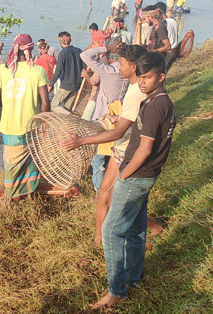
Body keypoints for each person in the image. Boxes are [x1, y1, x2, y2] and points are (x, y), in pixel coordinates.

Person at [93, 52, 174, 309]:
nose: (142, 82)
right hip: (147, 175)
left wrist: (124, 175)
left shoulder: (154, 106)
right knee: (137, 228)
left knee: (111, 230)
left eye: (148, 77)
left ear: (161, 77)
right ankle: (134, 278)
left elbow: (145, 148)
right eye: (140, 77)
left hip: (137, 175)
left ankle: (116, 291)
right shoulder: (160, 102)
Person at [63, 44, 149, 237]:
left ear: (133, 67)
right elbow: (133, 118)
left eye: (123, 64)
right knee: (104, 193)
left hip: (126, 149)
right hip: (122, 147)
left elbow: (118, 133)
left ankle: (110, 236)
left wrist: (82, 140)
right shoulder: (134, 88)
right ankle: (99, 238)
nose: (119, 67)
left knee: (114, 199)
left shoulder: (135, 92)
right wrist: (117, 118)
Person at [0, 34, 50, 199]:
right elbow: (45, 102)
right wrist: (43, 121)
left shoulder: (3, 70)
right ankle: (27, 192)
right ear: (30, 49)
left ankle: (13, 194)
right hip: (31, 126)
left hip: (9, 126)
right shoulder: (37, 70)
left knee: (12, 164)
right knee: (30, 162)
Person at [80, 43, 127, 190]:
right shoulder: (129, 72)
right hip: (121, 116)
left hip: (104, 117)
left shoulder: (109, 71)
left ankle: (99, 190)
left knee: (98, 158)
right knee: (116, 153)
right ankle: (113, 185)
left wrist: (105, 47)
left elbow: (85, 55)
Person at [50, 31, 86, 114]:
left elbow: (58, 72)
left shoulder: (63, 53)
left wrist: (50, 85)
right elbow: (84, 68)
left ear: (61, 41)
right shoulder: (79, 51)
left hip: (66, 86)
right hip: (77, 85)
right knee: (66, 108)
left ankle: (72, 117)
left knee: (54, 105)